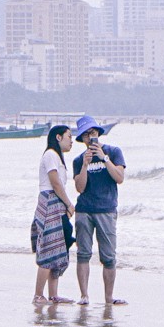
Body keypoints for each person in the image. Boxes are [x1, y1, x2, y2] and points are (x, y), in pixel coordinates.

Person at [71, 116, 127, 306]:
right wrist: (85, 165)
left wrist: (104, 158)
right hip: (84, 209)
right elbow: (79, 187)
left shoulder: (113, 151)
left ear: (98, 133)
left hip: (106, 209)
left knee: (109, 256)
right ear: (82, 139)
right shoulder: (79, 160)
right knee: (83, 254)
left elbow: (119, 177)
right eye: (86, 135)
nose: (90, 138)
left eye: (92, 133)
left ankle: (108, 297)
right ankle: (84, 296)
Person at [31, 124, 75, 303]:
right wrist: (69, 204)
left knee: (60, 246)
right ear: (58, 137)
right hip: (50, 201)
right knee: (49, 247)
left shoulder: (58, 156)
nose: (72, 140)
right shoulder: (50, 154)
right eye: (69, 136)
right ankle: (38, 294)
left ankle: (53, 295)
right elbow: (55, 183)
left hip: (56, 202)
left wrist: (64, 205)